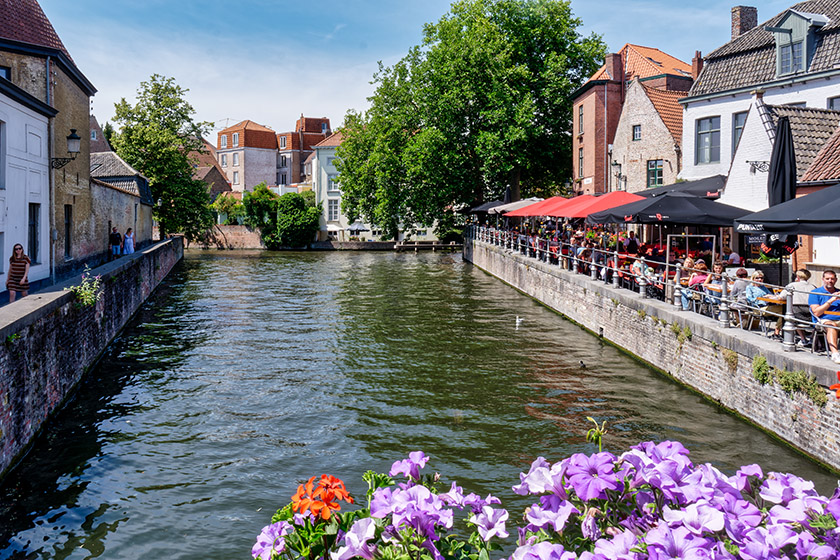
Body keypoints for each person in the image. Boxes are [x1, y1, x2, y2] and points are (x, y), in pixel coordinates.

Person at [809, 270, 840, 363]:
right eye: (827, 279)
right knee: (831, 325)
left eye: (832, 279)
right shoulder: (815, 293)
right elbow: (817, 312)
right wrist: (831, 300)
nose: (830, 281)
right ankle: (835, 354)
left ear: (836, 280)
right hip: (823, 319)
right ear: (823, 279)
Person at [782, 269, 815, 345]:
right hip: (811, 315)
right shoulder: (813, 287)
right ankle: (812, 338)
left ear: (797, 277)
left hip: (797, 314)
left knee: (792, 317)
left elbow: (782, 296)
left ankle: (803, 339)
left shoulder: (792, 285)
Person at [746, 271, 783, 338]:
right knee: (784, 311)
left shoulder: (763, 287)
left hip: (768, 306)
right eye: (757, 278)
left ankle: (777, 332)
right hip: (758, 308)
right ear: (753, 278)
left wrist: (772, 296)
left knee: (784, 311)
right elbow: (749, 299)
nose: (760, 280)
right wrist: (760, 298)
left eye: (761, 278)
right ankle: (777, 332)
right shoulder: (750, 287)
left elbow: (771, 295)